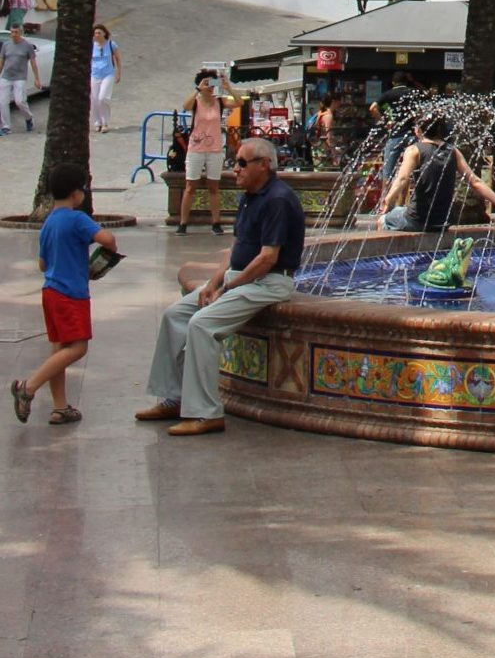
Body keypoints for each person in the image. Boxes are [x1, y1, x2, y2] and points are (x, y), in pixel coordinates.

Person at [136, 139, 304, 437]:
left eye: (241, 162)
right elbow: (237, 247)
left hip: (269, 282)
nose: (234, 168)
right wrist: (213, 283)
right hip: (240, 278)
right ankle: (174, 398)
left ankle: (205, 413)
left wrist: (228, 288)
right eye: (235, 161)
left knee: (201, 325)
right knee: (175, 314)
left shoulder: (278, 199)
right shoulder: (249, 195)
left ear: (264, 165)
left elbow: (268, 259)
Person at [10, 164, 119, 427]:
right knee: (78, 347)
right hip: (72, 294)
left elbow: (42, 265)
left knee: (58, 347)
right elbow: (107, 238)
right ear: (75, 193)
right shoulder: (77, 218)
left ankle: (60, 408)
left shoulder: (48, 223)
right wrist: (106, 254)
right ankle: (29, 387)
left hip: (51, 292)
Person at [379, 113, 495, 234]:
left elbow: (403, 178)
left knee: (383, 220)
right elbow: (475, 182)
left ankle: (387, 263)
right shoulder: (452, 151)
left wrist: (388, 200)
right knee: (399, 210)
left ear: (418, 130)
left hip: (417, 220)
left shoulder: (414, 150)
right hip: (443, 221)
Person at [177, 69, 233, 235]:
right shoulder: (196, 102)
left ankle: (216, 222)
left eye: (212, 83)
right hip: (196, 148)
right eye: (207, 83)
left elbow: (238, 103)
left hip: (215, 148)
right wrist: (197, 90)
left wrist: (227, 87)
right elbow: (185, 106)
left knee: (214, 186)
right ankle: (183, 223)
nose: (210, 87)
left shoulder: (219, 102)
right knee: (190, 186)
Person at [0, 20, 41, 135]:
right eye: (12, 32)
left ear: (20, 32)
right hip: (6, 76)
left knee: (19, 101)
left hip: (20, 77)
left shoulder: (27, 46)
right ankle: (6, 127)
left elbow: (33, 63)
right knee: (2, 102)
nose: (13, 34)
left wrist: (37, 79)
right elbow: (2, 61)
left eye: (16, 32)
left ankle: (29, 118)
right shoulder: (6, 45)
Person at [89, 23, 121, 132]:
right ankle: (97, 122)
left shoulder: (111, 44)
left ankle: (105, 122)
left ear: (104, 33)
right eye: (95, 33)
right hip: (94, 74)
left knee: (102, 98)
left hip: (108, 74)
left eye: (99, 33)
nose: (97, 35)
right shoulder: (92, 46)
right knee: (94, 99)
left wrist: (118, 73)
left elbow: (117, 59)